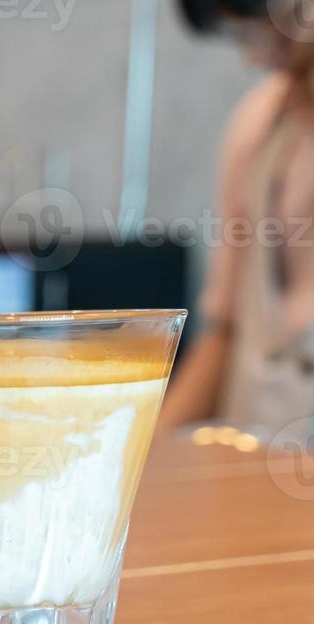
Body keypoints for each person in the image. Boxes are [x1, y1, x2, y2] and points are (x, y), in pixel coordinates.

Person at [162, 0, 314, 433]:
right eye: (241, 36)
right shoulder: (259, 123)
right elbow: (224, 331)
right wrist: (143, 454)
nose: (254, 57)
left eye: (259, 32)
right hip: (254, 449)